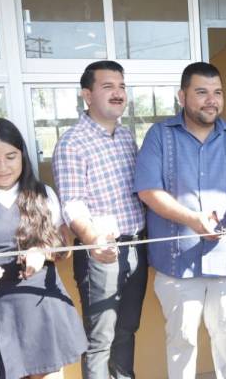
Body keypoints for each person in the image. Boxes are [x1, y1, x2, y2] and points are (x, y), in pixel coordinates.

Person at [134, 61, 226, 379]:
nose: (211, 100)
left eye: (217, 92)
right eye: (202, 92)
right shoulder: (160, 135)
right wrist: (192, 219)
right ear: (182, 96)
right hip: (178, 264)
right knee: (183, 342)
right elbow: (148, 190)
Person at [0, 118, 87, 379]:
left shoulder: (42, 193)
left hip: (41, 303)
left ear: (22, 155)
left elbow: (63, 247)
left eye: (11, 156)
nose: (3, 166)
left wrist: (41, 252)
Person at [52, 60, 148, 379]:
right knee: (100, 340)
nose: (118, 93)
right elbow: (73, 204)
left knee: (127, 330)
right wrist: (93, 239)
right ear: (87, 95)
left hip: (136, 246)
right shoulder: (72, 142)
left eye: (121, 86)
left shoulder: (125, 138)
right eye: (108, 86)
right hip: (100, 253)